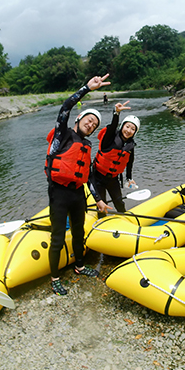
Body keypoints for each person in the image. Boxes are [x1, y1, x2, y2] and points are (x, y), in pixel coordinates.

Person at [45, 74, 112, 296]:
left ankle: (80, 266)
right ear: (78, 120)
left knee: (78, 232)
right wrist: (86, 88)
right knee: (57, 238)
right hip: (59, 194)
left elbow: (90, 177)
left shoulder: (86, 145)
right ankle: (54, 278)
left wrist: (99, 200)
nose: (91, 124)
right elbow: (65, 107)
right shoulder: (63, 134)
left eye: (94, 124)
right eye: (88, 120)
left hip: (77, 195)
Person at [92, 101, 139, 213]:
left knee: (119, 202)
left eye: (132, 129)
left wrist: (129, 178)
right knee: (102, 204)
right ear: (122, 126)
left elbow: (129, 163)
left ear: (135, 132)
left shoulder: (130, 146)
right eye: (127, 126)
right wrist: (116, 113)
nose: (128, 130)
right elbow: (112, 127)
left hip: (113, 179)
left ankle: (123, 219)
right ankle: (101, 222)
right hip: (98, 176)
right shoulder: (110, 138)